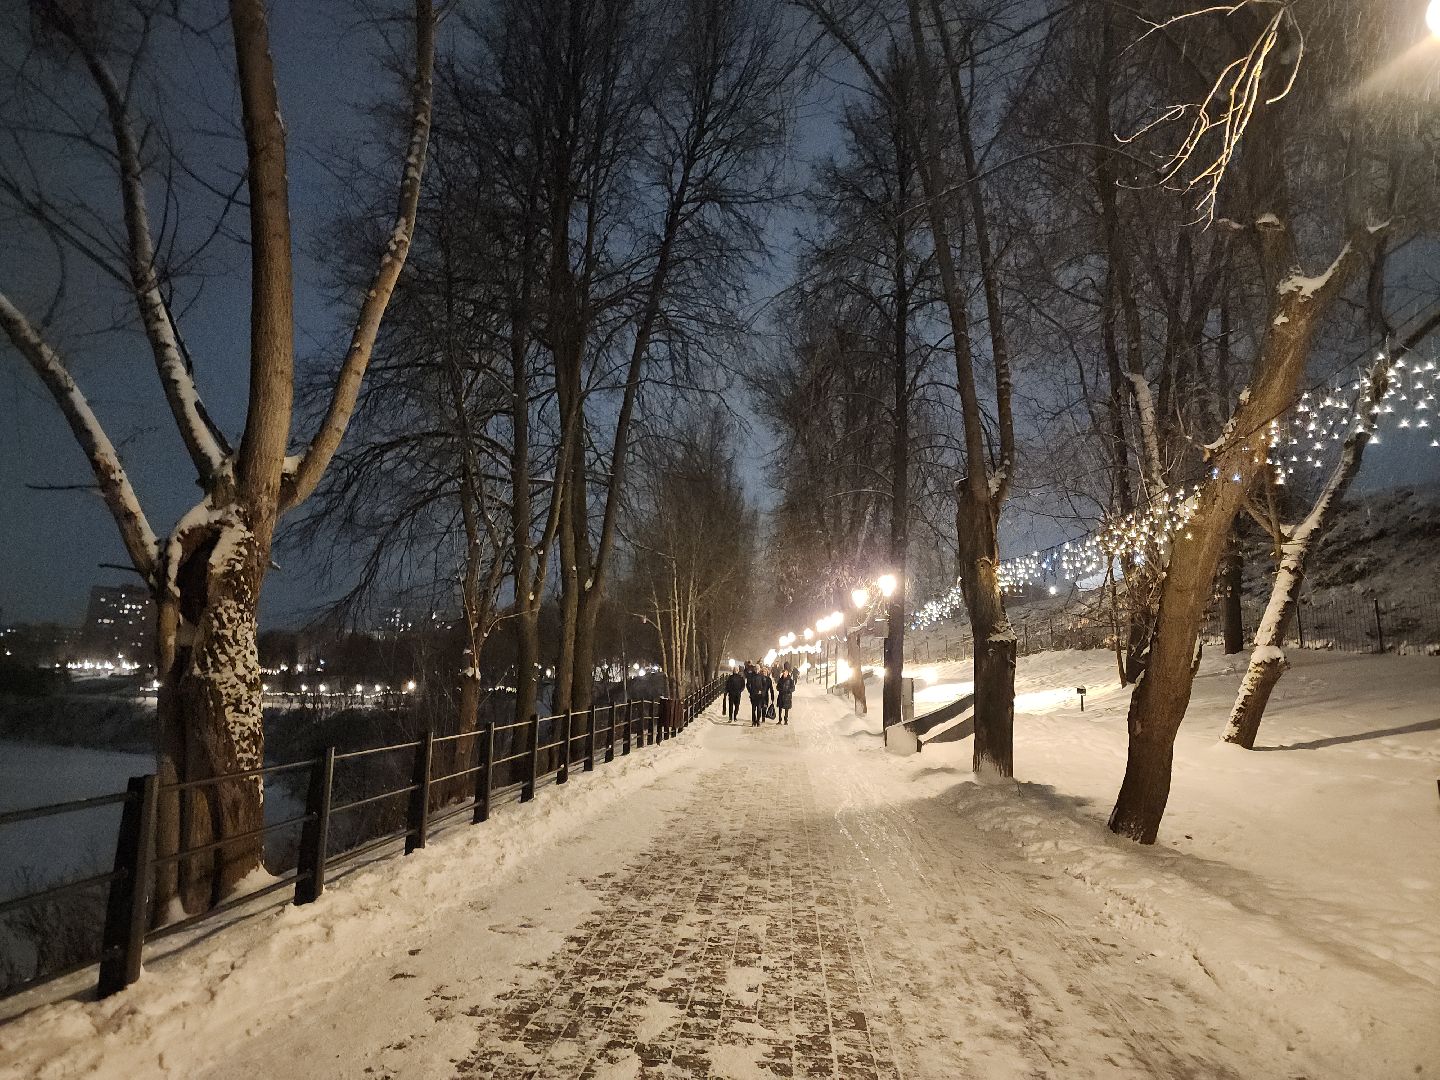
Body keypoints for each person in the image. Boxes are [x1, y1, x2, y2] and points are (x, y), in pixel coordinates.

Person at [746, 662, 772, 726]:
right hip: (753, 695)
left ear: (759, 669)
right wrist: (750, 691)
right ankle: (753, 721)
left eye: (758, 669)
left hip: (760, 696)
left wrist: (762, 692)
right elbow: (748, 684)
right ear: (754, 669)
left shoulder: (762, 676)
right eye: (756, 669)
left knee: (759, 709)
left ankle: (758, 721)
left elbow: (765, 686)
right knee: (753, 709)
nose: (757, 670)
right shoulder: (751, 676)